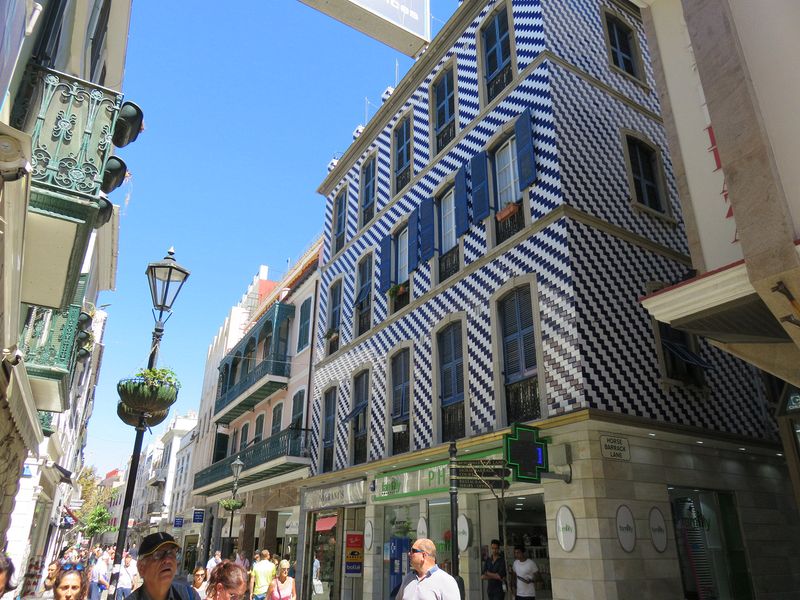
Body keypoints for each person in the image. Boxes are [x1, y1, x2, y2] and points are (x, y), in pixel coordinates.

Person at [123, 532, 199, 600]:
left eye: (171, 553)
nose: (167, 560)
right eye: (158, 554)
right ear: (141, 567)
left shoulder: (189, 595)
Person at [394, 539, 459, 600]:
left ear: (423, 555)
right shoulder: (408, 578)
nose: (409, 554)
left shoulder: (446, 581)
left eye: (413, 551)